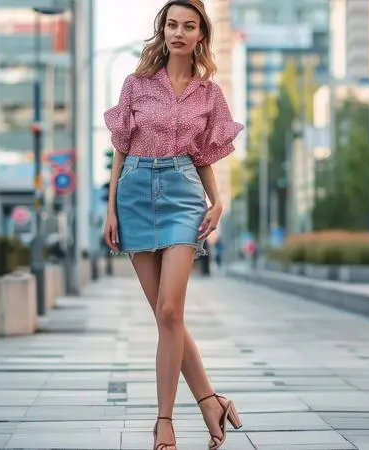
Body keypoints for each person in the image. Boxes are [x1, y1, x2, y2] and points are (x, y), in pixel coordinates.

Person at [102, 1, 243, 449]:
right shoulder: (136, 85)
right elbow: (121, 148)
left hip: (183, 194)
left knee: (169, 310)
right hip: (135, 193)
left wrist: (217, 202)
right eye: (172, 25)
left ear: (201, 35)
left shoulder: (209, 94)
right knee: (166, 319)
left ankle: (164, 420)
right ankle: (210, 400)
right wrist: (110, 210)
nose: (179, 32)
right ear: (161, 31)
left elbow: (203, 158)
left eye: (189, 26)